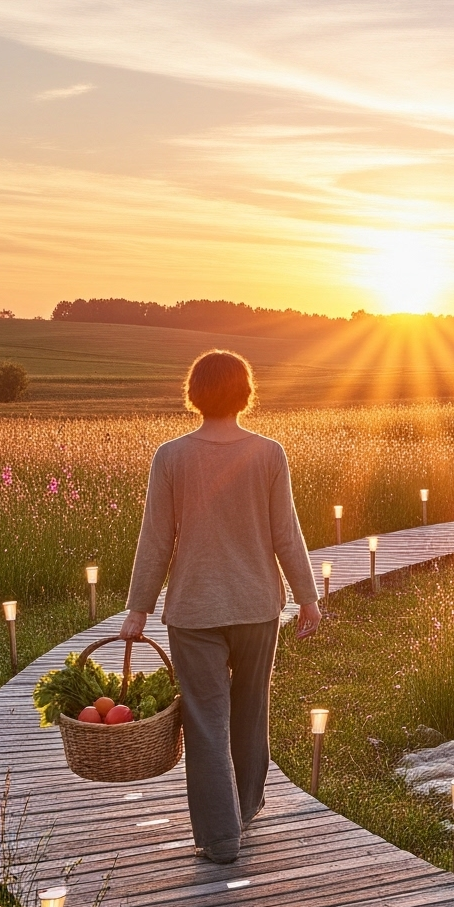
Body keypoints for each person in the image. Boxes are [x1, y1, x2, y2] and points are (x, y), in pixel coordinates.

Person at [119, 350, 320, 862]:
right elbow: (286, 534)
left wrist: (138, 608)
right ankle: (245, 809)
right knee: (251, 712)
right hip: (257, 606)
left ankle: (220, 835)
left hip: (194, 610)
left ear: (194, 394)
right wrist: (308, 598)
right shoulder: (269, 453)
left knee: (206, 723)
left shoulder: (171, 457)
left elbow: (155, 539)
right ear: (245, 394)